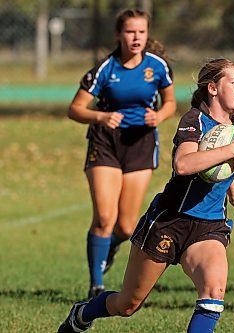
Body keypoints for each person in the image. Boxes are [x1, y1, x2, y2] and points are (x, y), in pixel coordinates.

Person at [58, 57, 234, 333]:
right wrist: (232, 151)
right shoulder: (194, 121)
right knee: (128, 304)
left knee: (213, 291)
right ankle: (82, 313)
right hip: (169, 221)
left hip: (209, 226)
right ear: (212, 88)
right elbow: (184, 165)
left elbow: (218, 171)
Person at [67, 8, 177, 299]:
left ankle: (112, 245)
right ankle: (96, 285)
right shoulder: (105, 69)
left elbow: (170, 103)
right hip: (105, 144)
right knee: (104, 217)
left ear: (147, 34)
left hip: (141, 145)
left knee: (127, 226)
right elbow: (75, 109)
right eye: (130, 31)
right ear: (119, 35)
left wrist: (160, 116)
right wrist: (101, 117)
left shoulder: (158, 66)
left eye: (141, 32)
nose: (136, 37)